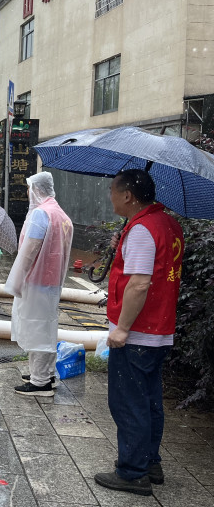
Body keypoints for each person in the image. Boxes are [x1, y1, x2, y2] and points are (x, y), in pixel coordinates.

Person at [94, 169, 184, 497]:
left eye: (113, 191)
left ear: (128, 196)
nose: (110, 197)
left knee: (129, 402)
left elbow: (140, 282)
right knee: (149, 401)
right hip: (159, 329)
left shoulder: (144, 229)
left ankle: (132, 472)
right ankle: (151, 462)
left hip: (138, 333)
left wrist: (122, 329)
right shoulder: (168, 224)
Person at [5, 171, 73, 397]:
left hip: (37, 280)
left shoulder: (41, 214)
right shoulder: (60, 214)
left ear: (35, 189)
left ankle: (40, 382)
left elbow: (30, 250)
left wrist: (16, 279)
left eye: (28, 187)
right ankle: (45, 374)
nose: (27, 192)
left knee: (36, 329)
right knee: (46, 326)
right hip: (52, 281)